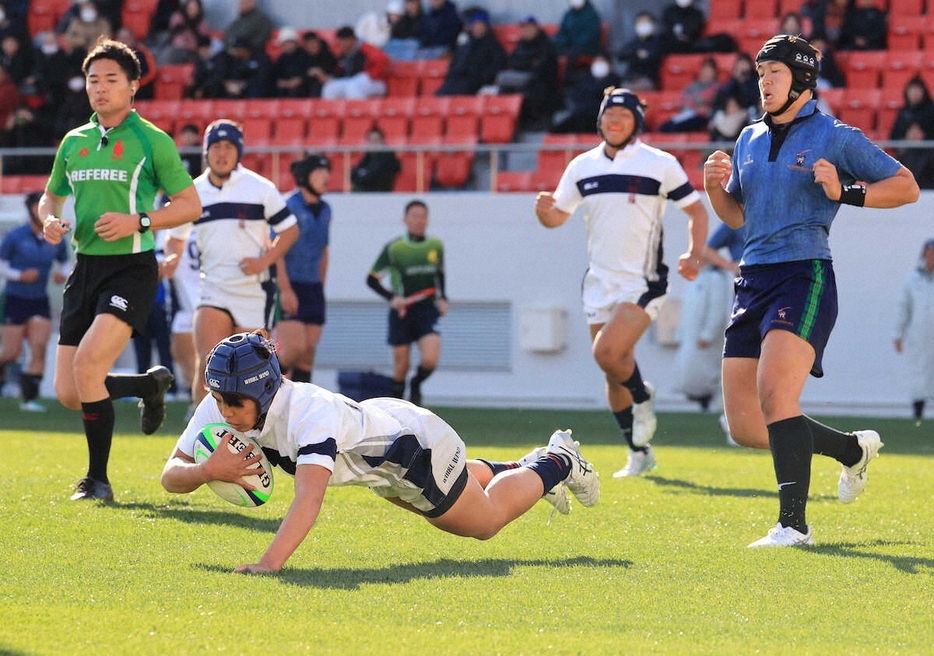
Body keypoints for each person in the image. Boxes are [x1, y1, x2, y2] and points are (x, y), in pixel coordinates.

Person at [702, 35, 919, 548]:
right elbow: (738, 215)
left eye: (774, 73)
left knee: (777, 397)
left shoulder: (834, 135)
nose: (764, 83)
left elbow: (906, 185)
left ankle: (793, 525)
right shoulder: (748, 138)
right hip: (750, 280)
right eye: (760, 75)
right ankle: (851, 451)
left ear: (801, 79)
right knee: (747, 427)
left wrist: (845, 190)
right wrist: (715, 188)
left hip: (804, 275)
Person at [161, 331, 599, 573]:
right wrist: (206, 470)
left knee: (482, 523)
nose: (224, 412)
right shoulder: (221, 401)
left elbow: (309, 499)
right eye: (217, 400)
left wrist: (267, 564)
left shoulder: (307, 414)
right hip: (380, 453)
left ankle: (555, 460)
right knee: (462, 489)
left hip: (413, 453)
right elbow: (170, 475)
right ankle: (522, 468)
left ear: (267, 390)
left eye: (233, 404)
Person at [40, 38, 202, 501]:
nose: (101, 88)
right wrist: (48, 219)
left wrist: (140, 220)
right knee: (71, 391)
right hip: (84, 268)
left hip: (131, 269)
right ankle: (148, 386)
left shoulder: (152, 140)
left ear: (133, 86)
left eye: (112, 79)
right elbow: (49, 195)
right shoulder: (74, 141)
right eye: (94, 80)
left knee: (89, 367)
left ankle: (97, 481)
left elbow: (189, 204)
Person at [535, 87, 709, 478]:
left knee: (607, 353)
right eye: (610, 116)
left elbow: (696, 211)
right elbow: (557, 217)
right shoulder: (581, 166)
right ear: (600, 120)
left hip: (643, 282)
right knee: (612, 369)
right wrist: (544, 213)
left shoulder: (659, 163)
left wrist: (693, 253)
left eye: (624, 117)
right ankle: (639, 450)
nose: (615, 122)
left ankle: (643, 395)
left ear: (636, 123)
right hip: (598, 282)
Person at [163, 119, 299, 406]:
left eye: (228, 147)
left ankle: (254, 438)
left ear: (238, 152)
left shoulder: (260, 188)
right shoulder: (192, 192)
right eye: (215, 147)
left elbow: (290, 230)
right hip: (212, 289)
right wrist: (172, 258)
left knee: (251, 371)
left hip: (254, 292)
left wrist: (264, 261)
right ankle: (201, 437)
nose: (222, 153)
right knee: (210, 364)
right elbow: (175, 237)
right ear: (205, 152)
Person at [367, 200, 447, 406]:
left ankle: (417, 383)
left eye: (423, 216)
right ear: (405, 219)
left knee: (431, 358)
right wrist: (392, 298)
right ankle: (395, 413)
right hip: (402, 312)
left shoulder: (436, 246)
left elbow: (439, 274)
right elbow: (371, 279)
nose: (419, 221)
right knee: (401, 366)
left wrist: (443, 298)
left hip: (427, 309)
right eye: (414, 216)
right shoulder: (395, 248)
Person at [0, 191, 69, 411]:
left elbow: (65, 264)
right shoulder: (15, 236)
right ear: (30, 209)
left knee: (39, 347)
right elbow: (1, 264)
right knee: (11, 352)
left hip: (39, 299)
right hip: (15, 298)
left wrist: (63, 274)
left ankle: (29, 399)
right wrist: (20, 275)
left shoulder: (57, 238)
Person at [672, 222, 744, 413]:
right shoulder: (699, 278)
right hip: (693, 337)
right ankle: (706, 403)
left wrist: (708, 334)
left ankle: (724, 407)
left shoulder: (716, 279)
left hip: (706, 339)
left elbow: (717, 311)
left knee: (714, 370)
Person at [275, 153, 332, 384]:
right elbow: (275, 249)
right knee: (293, 349)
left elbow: (324, 251)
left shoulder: (326, 209)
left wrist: (320, 287)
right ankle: (262, 385)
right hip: (291, 283)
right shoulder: (289, 205)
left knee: (308, 354)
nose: (325, 178)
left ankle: (300, 409)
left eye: (327, 173)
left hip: (313, 286)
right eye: (319, 173)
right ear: (304, 177)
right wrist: (285, 290)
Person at [493, 15, 560, 127]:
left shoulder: (545, 45)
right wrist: (529, 63)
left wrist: (528, 66)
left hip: (541, 84)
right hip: (520, 80)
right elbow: (514, 62)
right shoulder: (521, 45)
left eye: (529, 28)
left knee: (531, 91)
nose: (526, 31)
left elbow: (543, 67)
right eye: (523, 28)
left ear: (536, 28)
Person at [893, 239, 934, 424]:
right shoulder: (913, 280)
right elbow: (904, 308)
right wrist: (898, 334)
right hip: (918, 336)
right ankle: (918, 416)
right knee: (919, 373)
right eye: (929, 253)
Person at [435, 10, 506, 97]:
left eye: (481, 24)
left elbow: (498, 62)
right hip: (455, 79)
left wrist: (484, 77)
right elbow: (455, 61)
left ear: (486, 26)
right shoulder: (465, 43)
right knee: (438, 96)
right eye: (476, 24)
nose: (478, 27)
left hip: (473, 81)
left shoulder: (492, 44)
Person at [317, 26, 389, 100]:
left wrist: (370, 75)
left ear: (351, 39)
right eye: (340, 41)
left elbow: (383, 60)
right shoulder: (341, 52)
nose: (341, 44)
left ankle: (360, 110)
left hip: (374, 82)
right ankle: (332, 111)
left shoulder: (364, 48)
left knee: (352, 86)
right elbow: (339, 70)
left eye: (344, 41)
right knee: (330, 87)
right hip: (351, 81)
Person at [658, 56, 719, 133]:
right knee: (664, 126)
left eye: (709, 70)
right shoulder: (693, 85)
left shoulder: (717, 88)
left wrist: (699, 105)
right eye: (704, 69)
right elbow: (684, 102)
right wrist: (696, 105)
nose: (705, 72)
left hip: (703, 117)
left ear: (714, 72)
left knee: (675, 128)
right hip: (688, 113)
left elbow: (710, 105)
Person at [616, 11, 664, 91]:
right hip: (630, 78)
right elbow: (621, 55)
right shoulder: (634, 42)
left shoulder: (657, 42)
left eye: (646, 22)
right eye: (640, 22)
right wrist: (637, 54)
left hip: (648, 79)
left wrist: (634, 56)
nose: (643, 25)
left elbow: (652, 57)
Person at [552, 0, 603, 67]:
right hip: (569, 46)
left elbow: (592, 34)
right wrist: (561, 42)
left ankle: (568, 77)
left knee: (570, 55)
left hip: (587, 48)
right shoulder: (568, 15)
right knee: (551, 50)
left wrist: (574, 43)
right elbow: (562, 32)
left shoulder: (591, 14)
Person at [350, 126, 401, 192]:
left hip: (381, 190)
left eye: (376, 139)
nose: (374, 142)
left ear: (382, 140)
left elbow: (376, 174)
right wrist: (363, 175)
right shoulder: (368, 155)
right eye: (371, 140)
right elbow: (353, 173)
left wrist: (363, 174)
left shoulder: (388, 155)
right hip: (366, 189)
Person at [889, 76, 934, 142]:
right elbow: (894, 135)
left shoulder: (931, 110)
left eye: (918, 90)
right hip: (906, 149)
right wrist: (906, 135)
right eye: (912, 90)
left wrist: (924, 135)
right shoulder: (903, 112)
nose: (915, 93)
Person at [272, 27, 309, 98]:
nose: (287, 46)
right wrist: (284, 83)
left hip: (301, 86)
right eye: (284, 44)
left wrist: (299, 80)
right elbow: (277, 76)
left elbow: (308, 72)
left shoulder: (304, 55)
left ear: (295, 43)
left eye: (289, 43)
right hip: (286, 86)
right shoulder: (281, 58)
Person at [301, 31, 337, 98]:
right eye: (309, 44)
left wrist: (319, 72)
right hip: (307, 83)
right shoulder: (303, 57)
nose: (312, 46)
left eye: (313, 43)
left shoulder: (327, 55)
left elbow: (332, 73)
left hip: (326, 84)